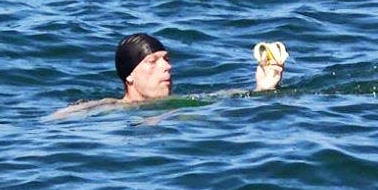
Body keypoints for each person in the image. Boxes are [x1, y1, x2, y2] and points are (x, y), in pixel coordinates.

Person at [50, 32, 286, 119]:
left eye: (167, 59)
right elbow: (59, 119)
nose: (167, 67)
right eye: (153, 61)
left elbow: (225, 98)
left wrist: (263, 89)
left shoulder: (184, 103)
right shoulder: (112, 109)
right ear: (129, 76)